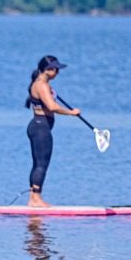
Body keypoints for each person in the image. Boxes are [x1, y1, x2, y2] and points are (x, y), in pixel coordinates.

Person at [25, 55, 81, 207]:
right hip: (40, 128)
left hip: (38, 126)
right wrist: (72, 113)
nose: (58, 72)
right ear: (47, 69)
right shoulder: (41, 85)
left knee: (38, 163)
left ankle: (33, 198)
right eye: (56, 69)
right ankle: (36, 199)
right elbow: (52, 107)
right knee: (41, 164)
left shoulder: (43, 83)